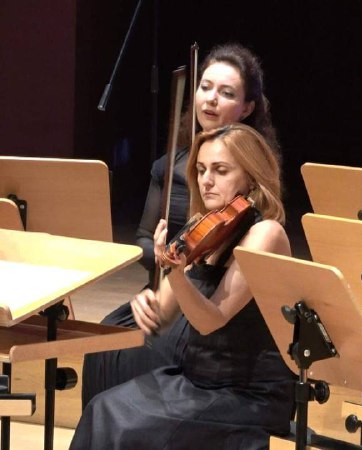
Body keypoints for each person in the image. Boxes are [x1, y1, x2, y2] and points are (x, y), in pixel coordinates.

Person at [71, 124, 294, 449]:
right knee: (103, 408)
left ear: (250, 176)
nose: (206, 180)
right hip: (198, 379)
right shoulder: (205, 228)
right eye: (201, 170)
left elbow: (211, 319)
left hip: (246, 392)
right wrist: (148, 306)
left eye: (220, 170)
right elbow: (166, 311)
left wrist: (175, 274)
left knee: (124, 424)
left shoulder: (265, 233)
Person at [82, 42, 280, 407]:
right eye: (205, 87)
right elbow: (148, 238)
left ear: (247, 107)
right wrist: (164, 268)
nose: (211, 99)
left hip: (215, 317)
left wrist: (174, 271)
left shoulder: (253, 207)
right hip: (178, 287)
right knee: (104, 344)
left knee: (139, 358)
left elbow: (219, 301)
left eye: (226, 93)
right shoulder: (170, 167)